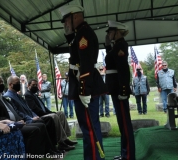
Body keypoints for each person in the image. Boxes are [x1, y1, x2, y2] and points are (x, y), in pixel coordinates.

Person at [58, 4, 106, 160]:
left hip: (85, 87)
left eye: (67, 20)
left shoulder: (84, 33)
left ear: (75, 16)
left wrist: (84, 90)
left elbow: (85, 63)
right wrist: (69, 33)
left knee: (90, 128)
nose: (65, 23)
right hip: (82, 85)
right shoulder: (78, 34)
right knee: (87, 127)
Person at [0, 75, 58, 157]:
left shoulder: (3, 97)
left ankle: (49, 150)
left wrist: (22, 119)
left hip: (18, 122)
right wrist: (15, 122)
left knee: (41, 124)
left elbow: (16, 111)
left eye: (2, 82)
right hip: (9, 125)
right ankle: (32, 156)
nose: (1, 84)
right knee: (36, 129)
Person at [3, 75, 64, 152]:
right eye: (17, 82)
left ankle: (53, 146)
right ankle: (49, 149)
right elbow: (17, 112)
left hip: (31, 117)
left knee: (48, 120)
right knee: (45, 121)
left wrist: (34, 115)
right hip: (25, 120)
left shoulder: (18, 95)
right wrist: (30, 118)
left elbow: (28, 108)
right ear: (10, 84)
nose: (19, 84)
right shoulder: (8, 97)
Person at [104, 20, 135, 160]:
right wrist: (107, 46)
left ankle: (128, 156)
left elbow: (123, 70)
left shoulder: (121, 46)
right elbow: (112, 61)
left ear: (117, 32)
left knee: (125, 123)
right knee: (122, 123)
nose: (108, 33)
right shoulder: (117, 46)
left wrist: (124, 90)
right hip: (115, 88)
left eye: (111, 31)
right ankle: (124, 154)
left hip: (118, 89)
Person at [25, 79, 77, 151]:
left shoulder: (35, 95)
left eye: (36, 85)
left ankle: (65, 139)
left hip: (44, 113)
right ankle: (61, 143)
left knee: (60, 113)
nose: (35, 86)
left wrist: (50, 112)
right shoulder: (28, 95)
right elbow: (35, 109)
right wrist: (49, 113)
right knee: (54, 116)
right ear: (28, 85)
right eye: (33, 85)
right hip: (38, 116)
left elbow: (44, 107)